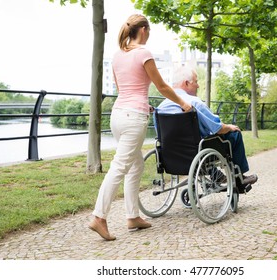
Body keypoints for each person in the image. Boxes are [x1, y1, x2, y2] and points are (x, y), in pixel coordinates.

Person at [89, 15, 192, 241]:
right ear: (143, 30)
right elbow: (162, 86)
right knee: (120, 166)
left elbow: (123, 88)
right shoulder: (144, 53)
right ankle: (99, 216)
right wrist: (183, 103)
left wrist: (144, 104)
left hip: (117, 116)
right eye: (150, 30)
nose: (150, 33)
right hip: (134, 117)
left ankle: (132, 216)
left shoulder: (117, 56)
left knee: (135, 165)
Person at [157, 65, 258, 190]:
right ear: (187, 83)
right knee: (234, 134)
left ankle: (215, 175)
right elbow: (218, 128)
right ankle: (239, 178)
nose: (198, 86)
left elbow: (160, 135)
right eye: (196, 82)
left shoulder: (161, 107)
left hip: (172, 154)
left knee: (202, 143)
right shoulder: (194, 103)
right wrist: (229, 127)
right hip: (197, 151)